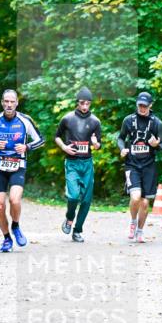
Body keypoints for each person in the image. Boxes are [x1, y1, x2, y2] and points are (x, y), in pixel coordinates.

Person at [0, 89, 45, 252]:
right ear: (2, 102)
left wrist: (27, 146)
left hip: (18, 164)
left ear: (17, 103)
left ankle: (15, 226)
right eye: (6, 102)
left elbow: (41, 140)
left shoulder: (25, 120)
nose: (9, 105)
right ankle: (7, 238)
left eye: (12, 102)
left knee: (14, 200)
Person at [54, 87, 103, 243]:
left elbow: (98, 145)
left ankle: (77, 230)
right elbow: (56, 137)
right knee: (74, 195)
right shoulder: (67, 118)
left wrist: (95, 144)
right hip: (72, 163)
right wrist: (64, 147)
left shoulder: (95, 121)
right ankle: (69, 218)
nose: (84, 107)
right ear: (77, 102)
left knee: (87, 200)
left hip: (87, 163)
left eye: (87, 103)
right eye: (82, 103)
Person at [117, 91, 162, 243]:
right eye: (140, 105)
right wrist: (122, 149)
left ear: (150, 105)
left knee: (145, 202)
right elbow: (120, 138)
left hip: (148, 166)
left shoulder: (157, 123)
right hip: (132, 164)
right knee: (136, 197)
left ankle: (140, 231)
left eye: (145, 106)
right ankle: (132, 222)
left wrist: (156, 145)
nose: (142, 108)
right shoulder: (129, 120)